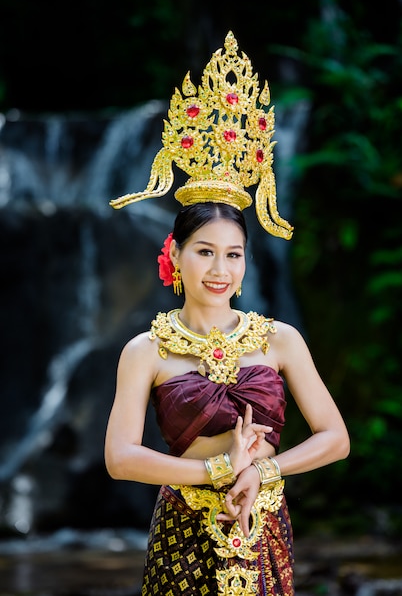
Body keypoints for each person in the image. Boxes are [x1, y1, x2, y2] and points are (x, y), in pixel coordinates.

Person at [105, 32, 350, 596]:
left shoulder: (281, 339)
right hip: (183, 530)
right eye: (205, 252)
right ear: (176, 257)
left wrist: (262, 470)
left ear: (246, 263)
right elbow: (120, 457)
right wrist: (217, 471)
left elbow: (335, 438)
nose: (221, 268)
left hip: (262, 523)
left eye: (234, 254)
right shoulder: (146, 351)